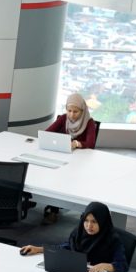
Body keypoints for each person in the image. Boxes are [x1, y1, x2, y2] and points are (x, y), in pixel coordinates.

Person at [19, 201, 128, 272]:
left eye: (94, 222)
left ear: (103, 222)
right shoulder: (78, 233)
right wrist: (38, 249)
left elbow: (122, 265)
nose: (89, 226)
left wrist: (104, 266)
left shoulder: (112, 240)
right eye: (86, 220)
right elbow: (65, 247)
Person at [42, 93, 98, 223]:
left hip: (81, 163)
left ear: (82, 111)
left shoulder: (89, 122)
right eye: (69, 110)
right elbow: (47, 133)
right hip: (62, 159)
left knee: (70, 179)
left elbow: (91, 144)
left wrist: (77, 143)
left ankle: (84, 214)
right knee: (57, 179)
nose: (71, 115)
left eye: (75, 111)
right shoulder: (63, 118)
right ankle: (54, 210)